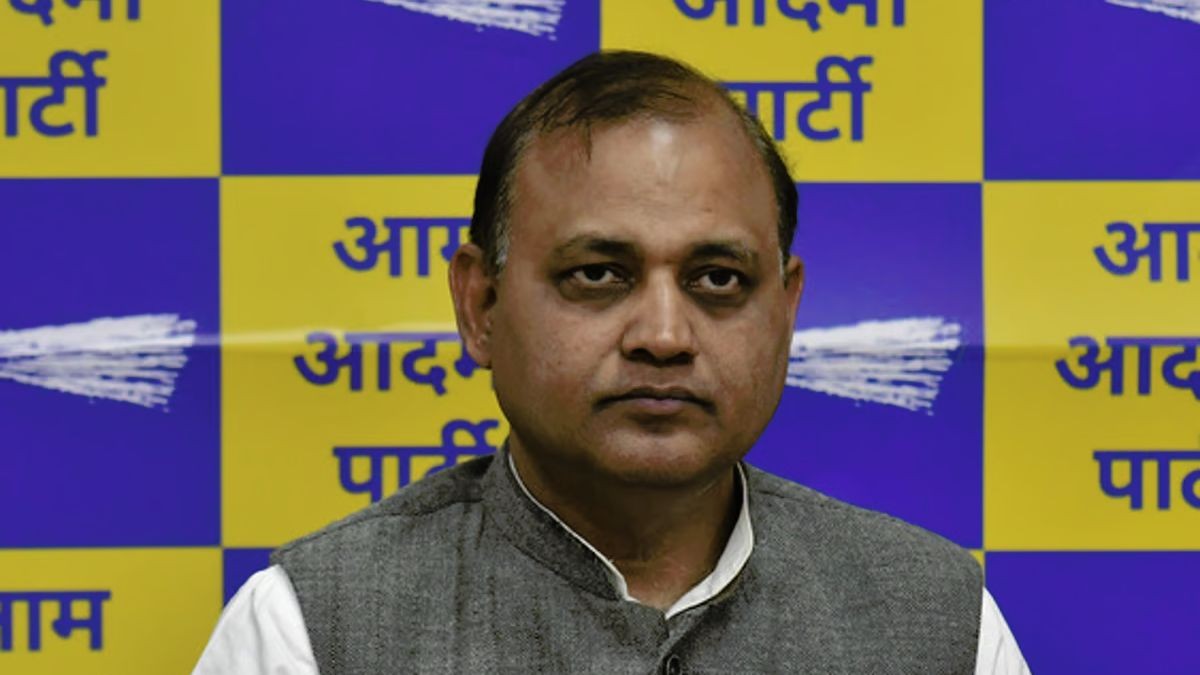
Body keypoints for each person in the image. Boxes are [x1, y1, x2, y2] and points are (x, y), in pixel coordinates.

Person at [195, 50, 1029, 674]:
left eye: (718, 279)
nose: (663, 334)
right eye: (598, 274)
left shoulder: (939, 624)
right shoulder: (312, 628)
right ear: (480, 305)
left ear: (786, 309)